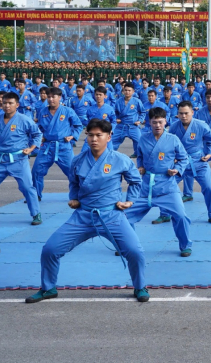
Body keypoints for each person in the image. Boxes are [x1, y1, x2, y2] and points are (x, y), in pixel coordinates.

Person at [24, 119, 149, 304]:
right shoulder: (78, 160)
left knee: (135, 252)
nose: (94, 139)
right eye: (90, 135)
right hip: (83, 216)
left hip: (112, 215)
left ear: (109, 137)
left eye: (99, 135)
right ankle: (48, 288)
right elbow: (74, 182)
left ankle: (140, 286)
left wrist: (129, 200)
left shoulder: (120, 159)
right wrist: (74, 198)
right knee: (50, 249)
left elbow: (136, 181)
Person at [125, 107, 192, 256]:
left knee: (181, 216)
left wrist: (177, 169)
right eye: (154, 122)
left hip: (167, 186)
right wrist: (140, 167)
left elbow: (183, 158)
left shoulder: (173, 139)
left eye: (160, 122)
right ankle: (128, 245)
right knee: (125, 216)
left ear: (165, 121)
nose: (157, 125)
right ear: (149, 122)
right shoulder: (143, 139)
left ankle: (185, 245)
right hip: (145, 186)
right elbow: (140, 156)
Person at [157, 101, 211, 224]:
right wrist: (172, 158)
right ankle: (164, 214)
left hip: (198, 162)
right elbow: (167, 144)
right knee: (165, 186)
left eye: (186, 113)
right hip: (180, 164)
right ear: (178, 114)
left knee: (209, 188)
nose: (183, 116)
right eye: (181, 113)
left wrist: (209, 153)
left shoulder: (201, 125)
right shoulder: (174, 127)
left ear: (192, 112)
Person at [0, 92, 42, 225]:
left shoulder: (24, 119)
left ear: (17, 105)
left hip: (19, 159)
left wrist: (31, 149)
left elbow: (37, 134)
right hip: (0, 160)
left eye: (10, 103)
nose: (7, 106)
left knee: (27, 187)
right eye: (5, 103)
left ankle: (36, 213)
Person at [32, 87, 83, 199]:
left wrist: (72, 136)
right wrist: (41, 136)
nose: (51, 99)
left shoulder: (67, 111)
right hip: (47, 147)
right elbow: (39, 127)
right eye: (49, 97)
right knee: (36, 171)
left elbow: (78, 125)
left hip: (63, 146)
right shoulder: (43, 111)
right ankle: (36, 195)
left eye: (53, 97)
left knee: (72, 172)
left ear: (59, 97)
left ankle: (79, 195)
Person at [112, 82, 145, 158]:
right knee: (113, 140)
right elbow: (115, 112)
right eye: (126, 90)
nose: (127, 92)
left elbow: (143, 112)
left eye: (129, 90)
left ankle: (137, 153)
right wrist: (116, 119)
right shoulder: (118, 101)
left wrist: (139, 120)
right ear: (123, 91)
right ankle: (110, 153)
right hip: (121, 125)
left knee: (139, 140)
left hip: (133, 125)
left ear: (133, 91)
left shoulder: (137, 101)